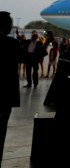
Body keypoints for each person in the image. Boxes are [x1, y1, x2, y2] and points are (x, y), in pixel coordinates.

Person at [0, 12, 21, 158]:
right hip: (4, 97)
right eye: (10, 23)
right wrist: (45, 43)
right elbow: (30, 58)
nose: (11, 26)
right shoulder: (11, 43)